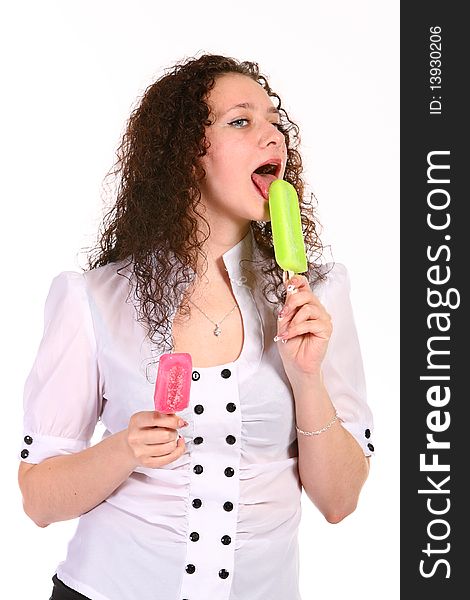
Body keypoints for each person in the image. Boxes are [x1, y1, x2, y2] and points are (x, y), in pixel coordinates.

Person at [18, 53, 374, 600]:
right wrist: (125, 450)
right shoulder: (92, 298)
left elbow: (339, 502)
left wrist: (307, 379)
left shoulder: (319, 297)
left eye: (275, 123)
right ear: (186, 154)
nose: (273, 137)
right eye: (241, 121)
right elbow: (40, 502)